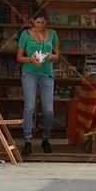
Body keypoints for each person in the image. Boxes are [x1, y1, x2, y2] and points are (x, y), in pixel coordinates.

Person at [16, 10, 60, 156]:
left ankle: (45, 139)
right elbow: (19, 57)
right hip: (29, 72)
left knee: (48, 109)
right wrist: (30, 59)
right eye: (38, 22)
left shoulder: (52, 34)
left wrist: (49, 56)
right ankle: (27, 141)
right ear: (33, 22)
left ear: (46, 23)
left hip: (47, 73)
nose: (40, 25)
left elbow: (57, 56)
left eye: (43, 23)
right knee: (29, 107)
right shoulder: (25, 35)